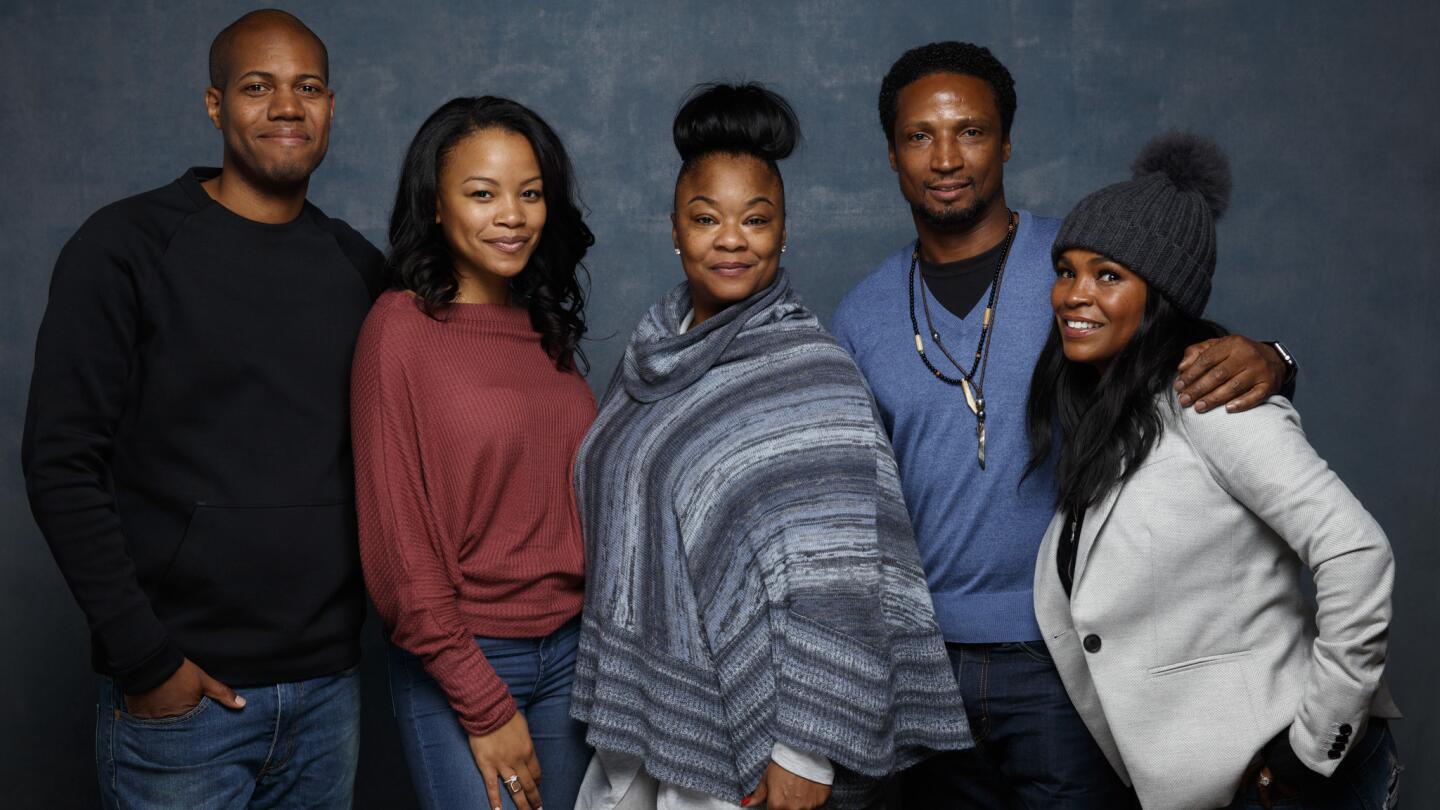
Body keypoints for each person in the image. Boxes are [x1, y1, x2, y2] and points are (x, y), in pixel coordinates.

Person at [828, 42, 1297, 808]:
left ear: (1006, 141)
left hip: (1069, 655)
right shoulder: (861, 314)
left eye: (971, 131)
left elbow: (1188, 357)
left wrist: (1276, 358)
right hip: (923, 669)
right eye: (921, 136)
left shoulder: (1079, 267)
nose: (947, 157)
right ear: (891, 154)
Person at [569, 83, 970, 810]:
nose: (731, 239)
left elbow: (839, 586)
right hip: (650, 726)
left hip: (759, 741)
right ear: (674, 229)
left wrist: (804, 754)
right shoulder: (651, 356)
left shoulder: (812, 376)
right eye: (706, 218)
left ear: (783, 233)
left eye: (756, 220)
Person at [21, 9, 381, 809]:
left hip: (329, 691)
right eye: (258, 87)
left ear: (331, 105)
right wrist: (146, 660)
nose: (287, 106)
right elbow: (60, 460)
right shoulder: (124, 248)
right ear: (216, 105)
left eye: (308, 87)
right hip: (184, 701)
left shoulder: (359, 268)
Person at [1027, 131, 1401, 810]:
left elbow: (1357, 552)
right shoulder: (1112, 415)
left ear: (1160, 295)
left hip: (1283, 785)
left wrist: (1307, 752)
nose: (1073, 295)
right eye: (1066, 269)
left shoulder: (1212, 400)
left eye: (1107, 275)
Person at [351, 96, 597, 810]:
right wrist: (483, 703)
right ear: (434, 205)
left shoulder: (543, 324)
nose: (512, 216)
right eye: (482, 194)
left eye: (530, 193)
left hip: (574, 652)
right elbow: (398, 544)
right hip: (464, 654)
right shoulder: (398, 330)